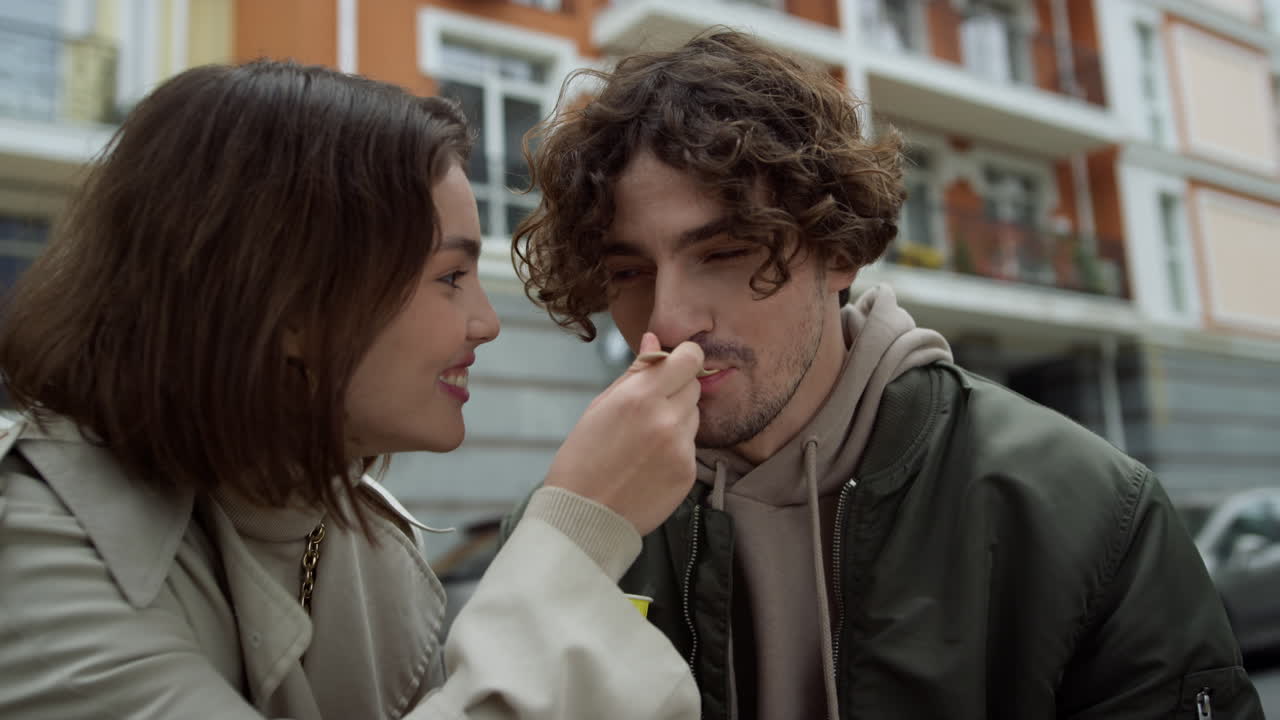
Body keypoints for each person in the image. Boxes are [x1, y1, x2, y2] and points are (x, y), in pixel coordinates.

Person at [507, 31, 1264, 719]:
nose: (669, 322)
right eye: (630, 270)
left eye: (727, 251)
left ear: (839, 252)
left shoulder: (1090, 515)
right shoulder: (575, 528)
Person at [0, 60, 707, 720]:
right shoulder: (32, 557)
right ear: (288, 305)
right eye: (451, 278)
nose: (487, 323)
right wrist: (578, 537)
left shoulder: (366, 552)